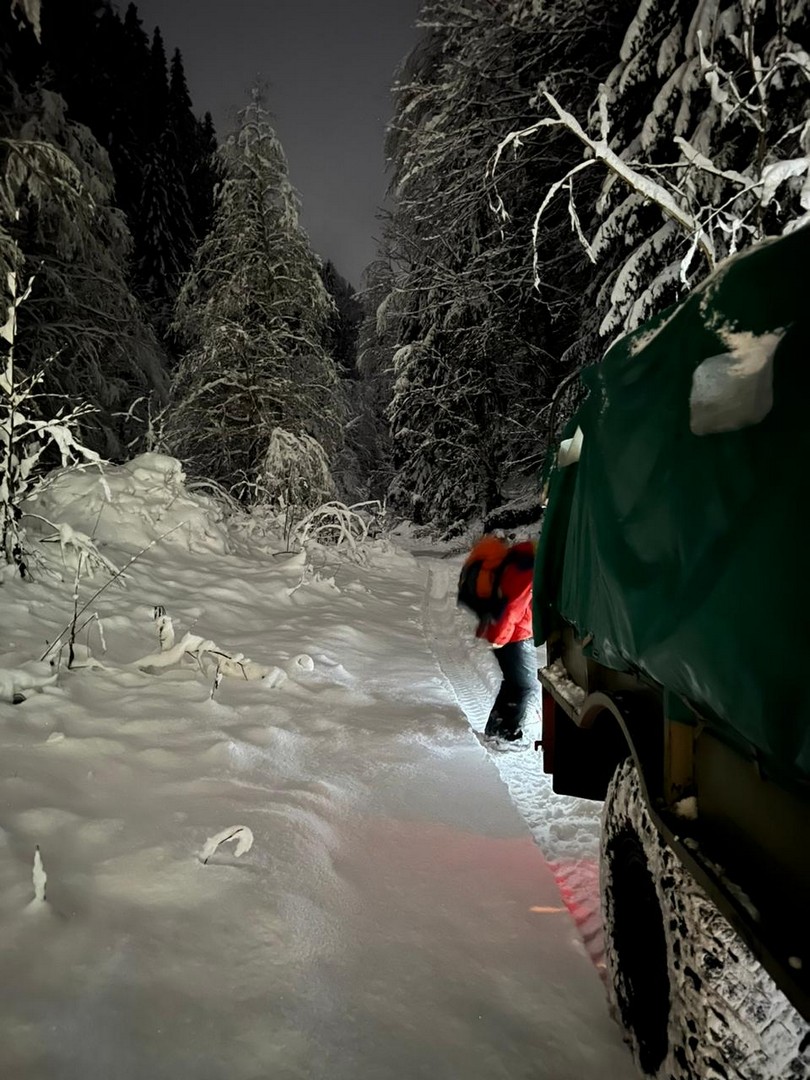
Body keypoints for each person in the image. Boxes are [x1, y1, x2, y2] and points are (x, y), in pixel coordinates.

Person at [459, 534, 541, 743]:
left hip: (514, 633)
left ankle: (497, 729)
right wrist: (499, 638)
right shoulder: (525, 568)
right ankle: (505, 735)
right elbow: (512, 606)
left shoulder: (520, 560)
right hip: (512, 635)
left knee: (517, 684)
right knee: (522, 686)